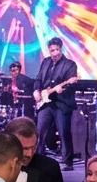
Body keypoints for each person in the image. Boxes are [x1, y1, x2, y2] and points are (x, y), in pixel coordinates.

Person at [32, 37, 78, 170]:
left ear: (61, 49)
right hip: (46, 103)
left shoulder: (70, 64)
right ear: (49, 50)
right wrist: (36, 90)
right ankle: (37, 159)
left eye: (57, 50)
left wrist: (61, 89)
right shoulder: (46, 62)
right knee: (39, 131)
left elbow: (71, 85)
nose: (55, 53)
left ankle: (68, 162)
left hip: (61, 103)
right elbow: (39, 78)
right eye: (52, 50)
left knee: (64, 133)